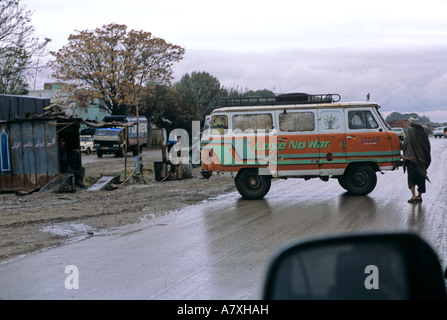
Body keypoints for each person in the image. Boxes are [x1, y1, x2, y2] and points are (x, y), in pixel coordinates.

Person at [402, 116, 431, 203]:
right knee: (421, 176)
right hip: (422, 159)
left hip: (411, 159)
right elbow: (426, 145)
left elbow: (406, 142)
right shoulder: (423, 131)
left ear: (411, 123)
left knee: (411, 178)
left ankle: (413, 196)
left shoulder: (410, 130)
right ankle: (419, 196)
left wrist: (403, 149)